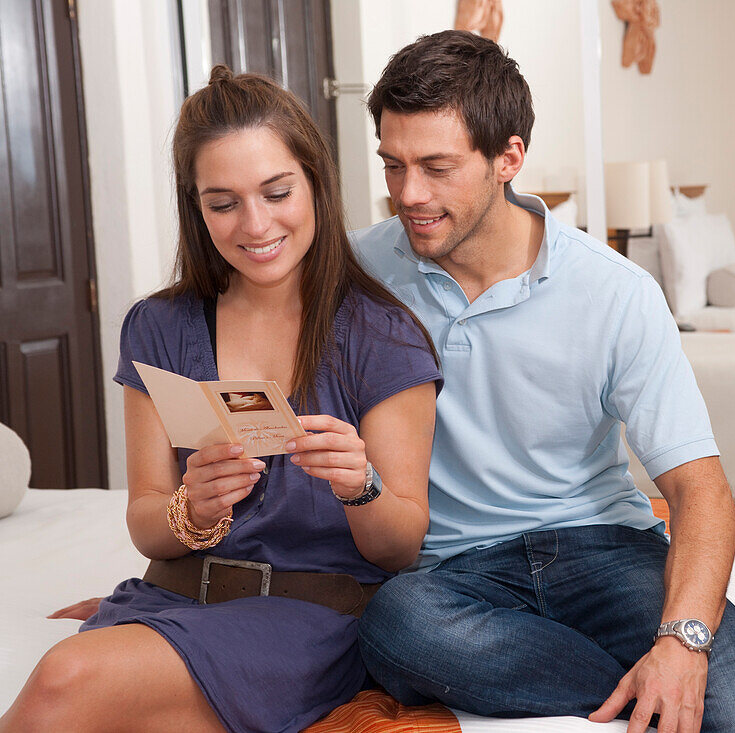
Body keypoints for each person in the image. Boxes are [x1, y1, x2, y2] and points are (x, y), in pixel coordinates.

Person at [351, 30, 735, 733]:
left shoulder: (614, 290)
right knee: (394, 623)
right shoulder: (359, 272)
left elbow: (703, 491)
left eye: (437, 167)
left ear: (509, 157)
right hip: (452, 572)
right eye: (393, 166)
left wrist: (680, 644)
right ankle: (629, 689)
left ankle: (663, 679)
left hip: (601, 547)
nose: (409, 194)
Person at [0, 66, 441, 733]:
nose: (255, 223)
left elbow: (401, 547)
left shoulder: (382, 334)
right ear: (195, 206)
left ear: (315, 182)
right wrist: (191, 508)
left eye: (276, 191)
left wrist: (362, 487)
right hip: (169, 599)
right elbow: (145, 520)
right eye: (223, 201)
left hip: (306, 623)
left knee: (66, 674)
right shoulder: (157, 326)